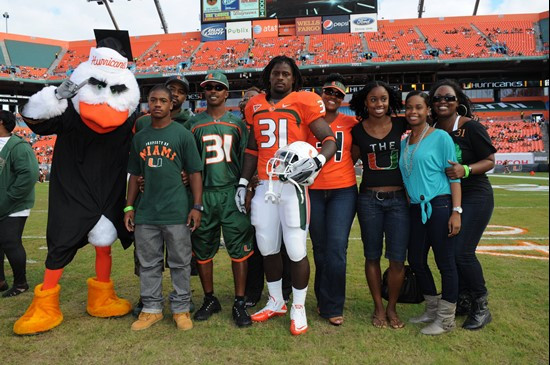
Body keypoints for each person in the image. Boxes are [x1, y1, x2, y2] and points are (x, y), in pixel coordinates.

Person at [235, 55, 337, 335]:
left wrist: (317, 161)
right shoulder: (255, 105)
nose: (280, 78)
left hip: (293, 186)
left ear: (294, 79)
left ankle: (299, 306)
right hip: (265, 186)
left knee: (295, 248)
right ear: (269, 76)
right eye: (276, 73)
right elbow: (253, 149)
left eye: (286, 74)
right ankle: (276, 300)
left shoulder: (304, 102)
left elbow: (329, 139)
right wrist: (244, 181)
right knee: (267, 246)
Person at [124, 84, 203, 331]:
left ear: (172, 105)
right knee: (148, 263)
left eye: (162, 101)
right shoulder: (140, 137)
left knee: (180, 263)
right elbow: (135, 175)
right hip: (147, 212)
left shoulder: (182, 134)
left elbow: (195, 173)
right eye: (153, 100)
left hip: (177, 210)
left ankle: (181, 309)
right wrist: (128, 207)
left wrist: (197, 206)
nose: (157, 104)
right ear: (147, 103)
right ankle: (151, 309)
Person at [187, 71, 254, 327]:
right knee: (203, 248)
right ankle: (209, 298)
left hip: (230, 191)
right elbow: (189, 165)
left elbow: (246, 159)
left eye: (218, 87)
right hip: (204, 194)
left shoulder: (237, 124)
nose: (213, 91)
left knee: (239, 248)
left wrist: (245, 188)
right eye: (208, 87)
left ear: (227, 93)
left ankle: (239, 302)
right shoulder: (193, 124)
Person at [429, 79, 496, 330]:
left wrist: (465, 169)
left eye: (448, 98)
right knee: (449, 252)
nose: (442, 102)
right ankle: (464, 298)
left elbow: (489, 160)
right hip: (446, 197)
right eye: (437, 98)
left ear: (458, 102)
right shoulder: (431, 129)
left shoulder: (471, 128)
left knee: (462, 252)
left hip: (475, 194)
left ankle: (481, 304)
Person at [400, 91, 461, 335]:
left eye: (418, 107)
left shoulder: (441, 137)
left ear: (428, 111)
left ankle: (446, 319)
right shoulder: (404, 142)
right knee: (415, 260)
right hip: (416, 208)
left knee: (445, 263)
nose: (413, 112)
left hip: (439, 205)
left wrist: (456, 211)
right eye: (408, 108)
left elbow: (454, 175)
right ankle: (432, 308)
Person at [349, 81, 409, 329]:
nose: (379, 104)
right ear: (365, 101)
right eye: (373, 99)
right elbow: (347, 163)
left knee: (397, 259)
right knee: (371, 255)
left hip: (399, 200)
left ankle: (392, 307)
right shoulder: (357, 131)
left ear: (390, 100)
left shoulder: (402, 123)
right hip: (369, 200)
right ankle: (378, 307)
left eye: (383, 99)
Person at [307, 74, 357, 326]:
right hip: (313, 190)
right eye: (329, 91)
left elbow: (356, 152)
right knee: (320, 249)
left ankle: (333, 304)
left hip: (343, 190)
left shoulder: (350, 122)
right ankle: (323, 299)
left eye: (338, 94)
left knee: (337, 248)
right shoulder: (309, 121)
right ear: (321, 93)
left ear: (343, 98)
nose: (333, 97)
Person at [239, 87, 293, 309]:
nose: (250, 102)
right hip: (249, 188)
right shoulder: (237, 128)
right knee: (254, 243)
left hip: (268, 185)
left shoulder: (275, 122)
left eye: (254, 99)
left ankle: (284, 289)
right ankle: (253, 289)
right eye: (246, 99)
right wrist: (244, 184)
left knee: (281, 243)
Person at [0, 110, 39, 298]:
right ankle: (1, 281)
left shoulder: (19, 146)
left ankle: (20, 283)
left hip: (15, 205)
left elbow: (29, 174)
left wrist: (9, 197)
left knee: (10, 242)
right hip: (2, 203)